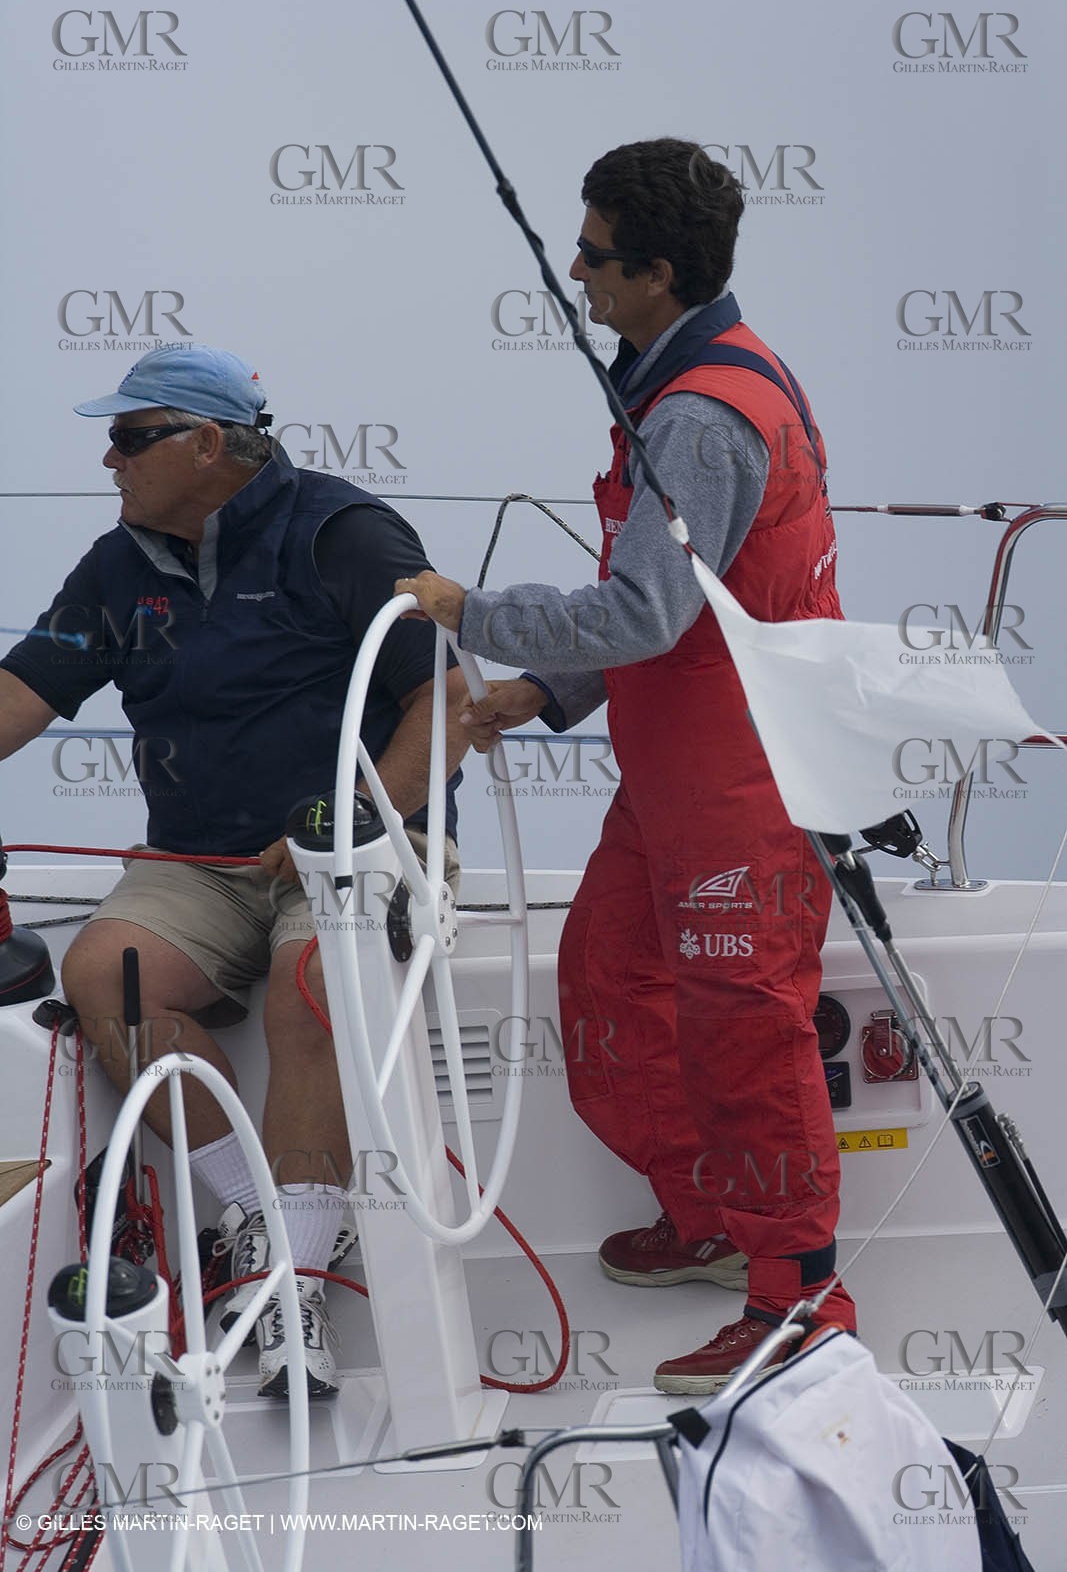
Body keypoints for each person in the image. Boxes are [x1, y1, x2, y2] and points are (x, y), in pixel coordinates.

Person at [397, 138, 856, 1393]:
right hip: (673, 774)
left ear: (656, 271)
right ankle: (711, 1213)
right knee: (605, 979)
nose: (575, 271)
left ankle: (798, 1298)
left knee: (743, 1033)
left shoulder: (700, 415)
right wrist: (541, 694)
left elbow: (644, 612)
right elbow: (688, 603)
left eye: (592, 253)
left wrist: (466, 609)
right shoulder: (679, 376)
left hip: (741, 784)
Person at [0, 345, 467, 1398]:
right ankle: (260, 1215)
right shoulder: (120, 560)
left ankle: (291, 1277)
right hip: (198, 862)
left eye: (129, 437)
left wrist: (345, 822)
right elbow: (21, 697)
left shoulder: (342, 534)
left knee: (313, 991)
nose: (107, 459)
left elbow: (446, 708)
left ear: (207, 445)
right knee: (104, 975)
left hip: (352, 844)